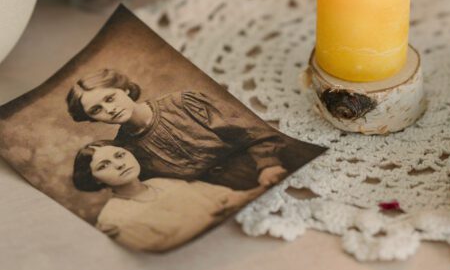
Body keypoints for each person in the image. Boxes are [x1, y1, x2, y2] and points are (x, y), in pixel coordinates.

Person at [66, 68, 288, 191]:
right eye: (97, 109)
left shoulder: (182, 102)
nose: (110, 109)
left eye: (110, 98)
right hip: (217, 202)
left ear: (124, 89)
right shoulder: (126, 150)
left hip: (268, 171)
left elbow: (255, 133)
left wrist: (268, 166)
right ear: (92, 119)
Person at [73, 141, 260, 252]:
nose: (119, 165)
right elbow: (161, 249)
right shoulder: (112, 218)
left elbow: (230, 196)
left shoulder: (162, 182)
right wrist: (214, 215)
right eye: (103, 166)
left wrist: (258, 191)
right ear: (94, 179)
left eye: (120, 155)